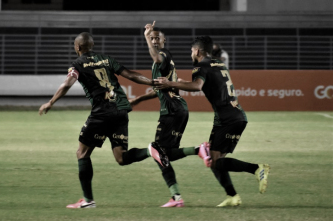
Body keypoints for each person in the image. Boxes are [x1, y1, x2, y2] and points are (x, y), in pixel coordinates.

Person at [39, 32, 169, 209]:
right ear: (91, 46)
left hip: (102, 113)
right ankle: (150, 150)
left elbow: (67, 84)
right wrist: (151, 82)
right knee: (121, 158)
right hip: (121, 110)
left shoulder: (77, 64)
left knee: (82, 153)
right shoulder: (106, 59)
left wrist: (51, 102)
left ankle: (88, 200)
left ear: (78, 47)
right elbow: (130, 75)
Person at [154, 36, 270, 207]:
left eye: (192, 50)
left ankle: (257, 168)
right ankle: (232, 196)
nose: (190, 53)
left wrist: (170, 83)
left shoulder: (200, 66)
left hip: (228, 119)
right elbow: (208, 84)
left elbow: (197, 86)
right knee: (214, 158)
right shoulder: (217, 62)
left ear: (198, 51)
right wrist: (183, 82)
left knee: (214, 161)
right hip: (231, 116)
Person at [129, 22, 208, 208]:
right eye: (153, 38)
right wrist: (138, 100)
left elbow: (156, 57)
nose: (155, 40)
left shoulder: (163, 55)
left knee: (157, 150)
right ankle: (199, 150)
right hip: (180, 109)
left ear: (164, 41)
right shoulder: (166, 63)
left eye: (158, 38)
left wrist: (146, 36)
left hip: (171, 111)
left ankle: (176, 197)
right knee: (167, 155)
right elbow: (158, 89)